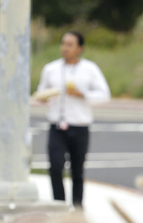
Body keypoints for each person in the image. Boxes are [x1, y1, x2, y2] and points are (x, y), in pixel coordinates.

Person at [36, 31, 111, 208]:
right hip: (57, 125)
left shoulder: (90, 69)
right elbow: (41, 91)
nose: (65, 48)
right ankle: (59, 207)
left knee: (77, 171)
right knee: (55, 166)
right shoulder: (51, 69)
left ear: (79, 48)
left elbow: (104, 95)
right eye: (63, 43)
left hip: (79, 125)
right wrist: (43, 97)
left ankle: (77, 209)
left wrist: (82, 94)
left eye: (70, 44)